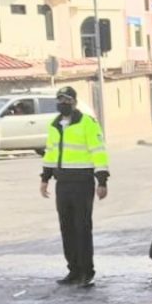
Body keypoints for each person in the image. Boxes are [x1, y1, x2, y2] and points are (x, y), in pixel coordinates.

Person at [39, 87, 109, 288]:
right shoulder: (55, 125)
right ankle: (73, 270)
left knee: (82, 227)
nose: (63, 104)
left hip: (82, 182)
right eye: (60, 100)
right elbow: (51, 153)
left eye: (67, 100)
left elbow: (98, 152)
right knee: (67, 228)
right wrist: (45, 178)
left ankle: (86, 272)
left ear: (75, 103)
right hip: (63, 183)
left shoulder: (87, 123)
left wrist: (102, 181)